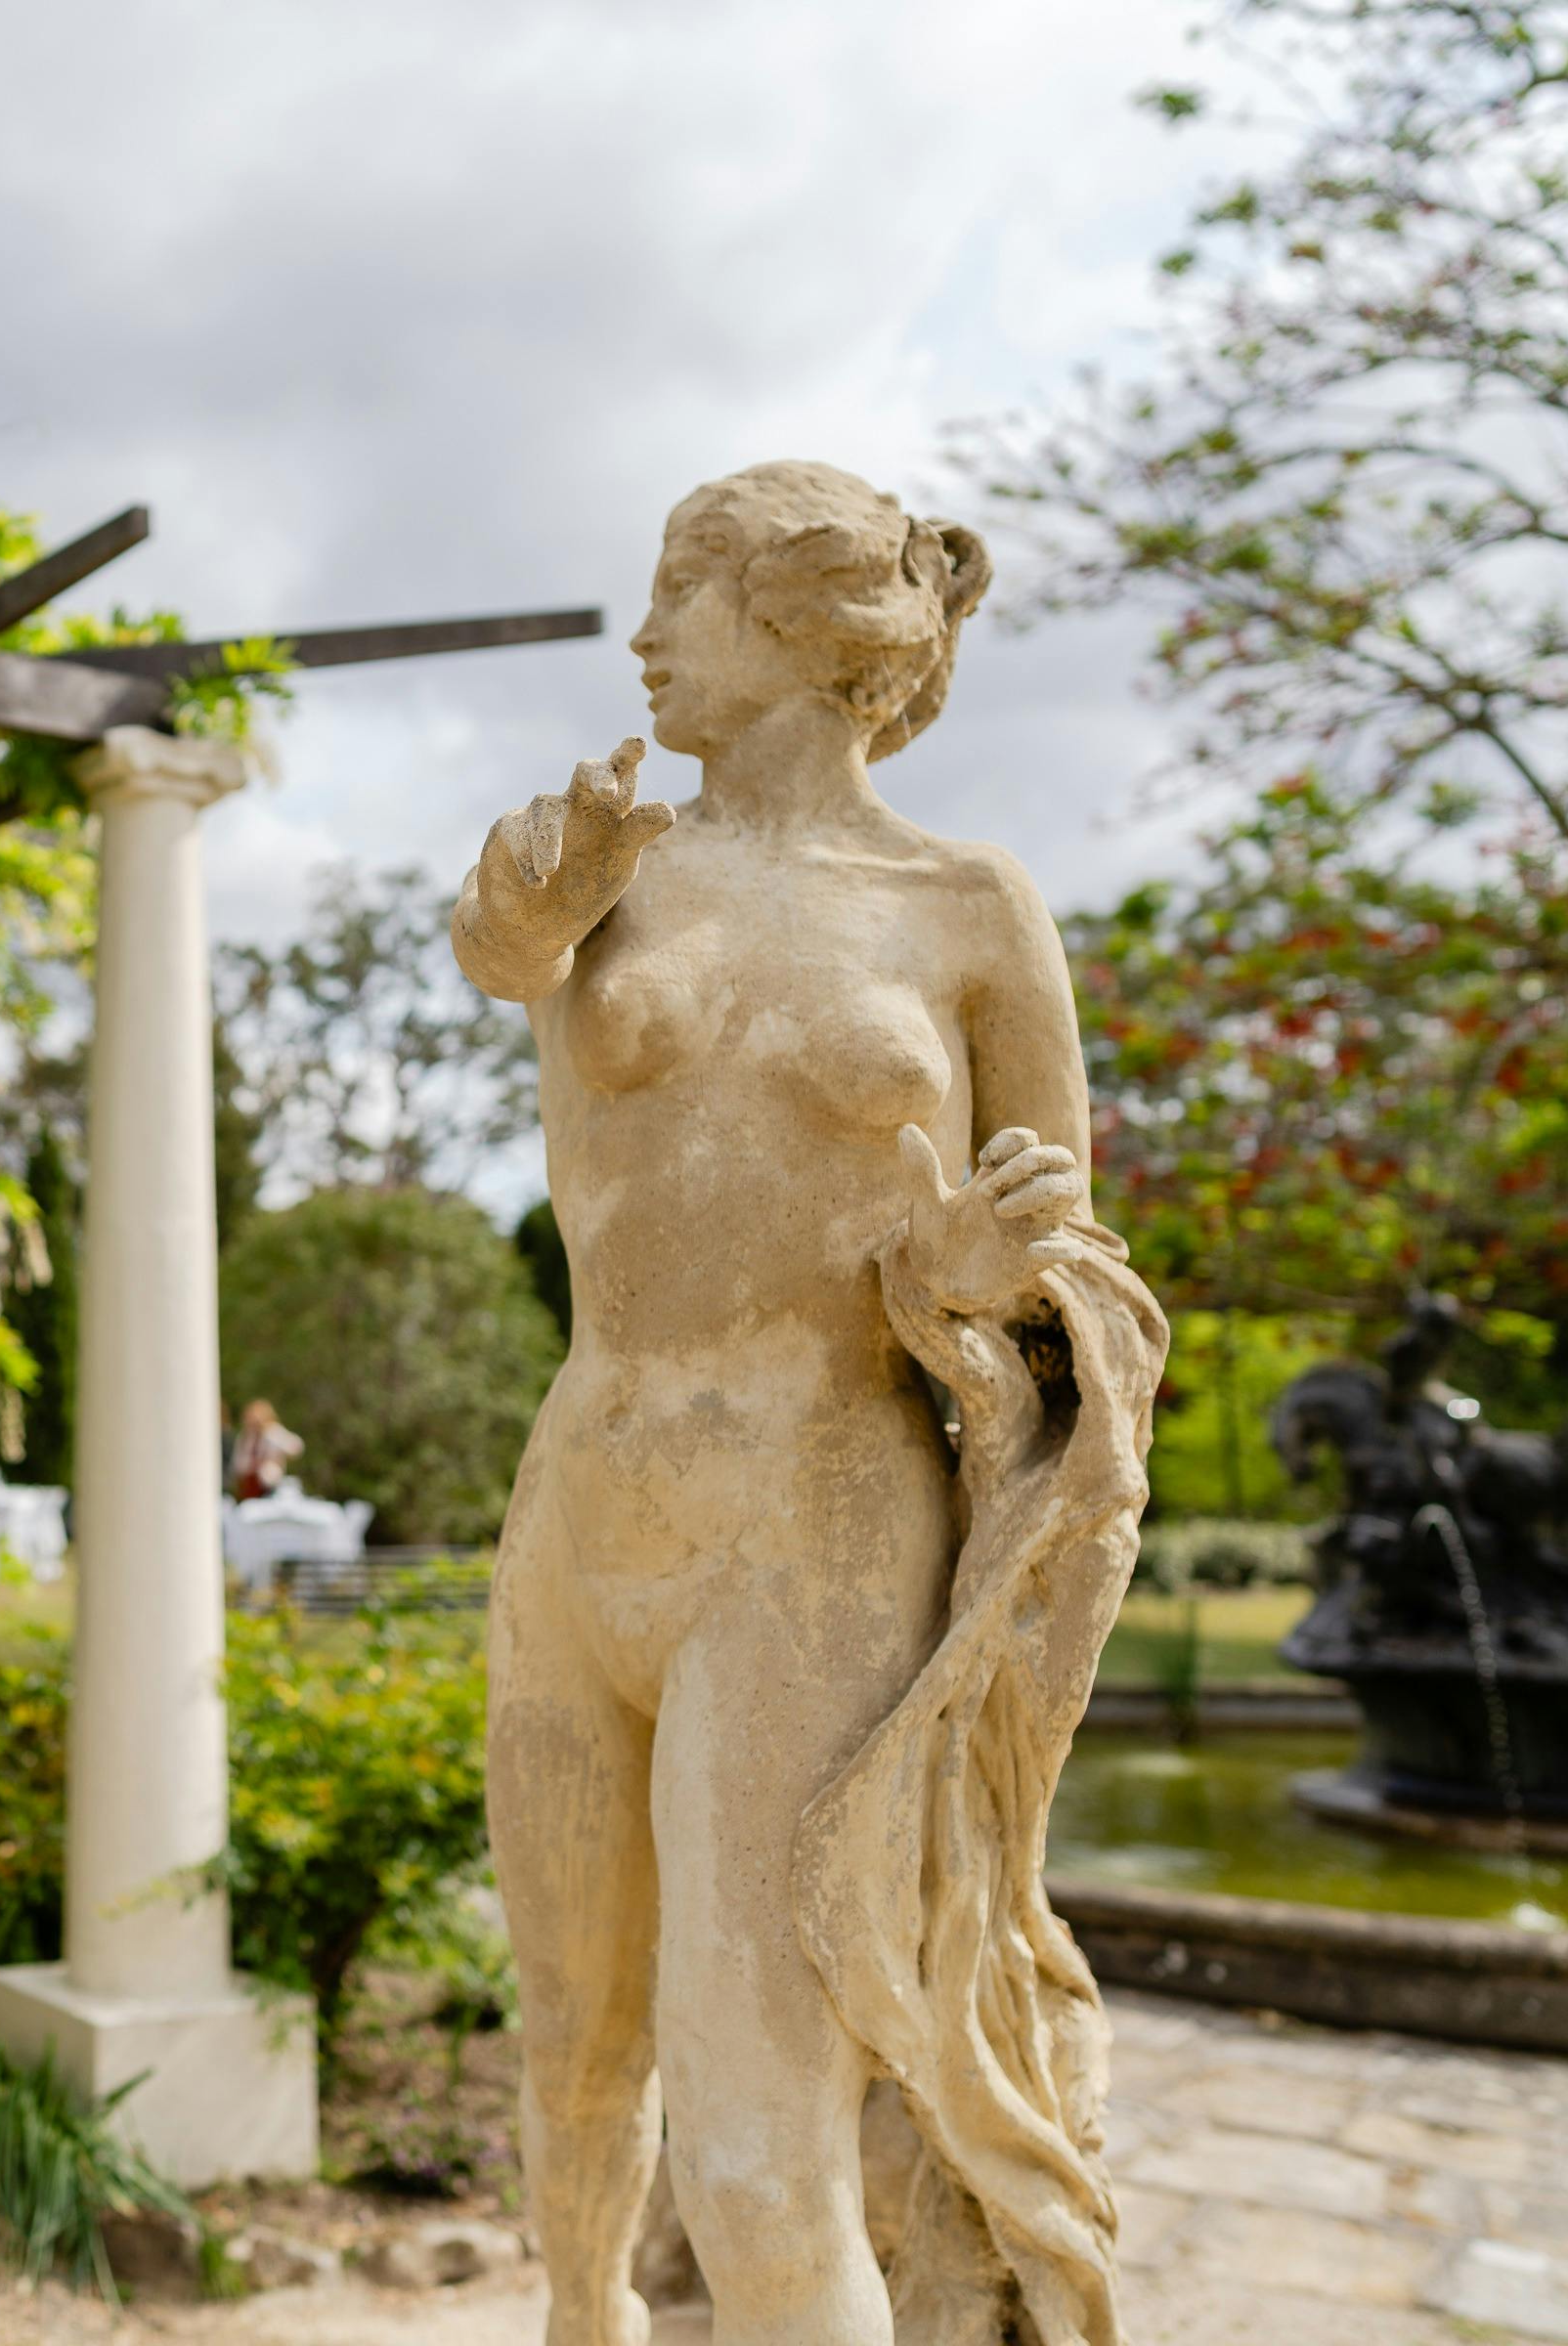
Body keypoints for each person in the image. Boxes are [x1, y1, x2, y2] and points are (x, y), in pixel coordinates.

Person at [454, 462, 1162, 2346]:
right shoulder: (606, 867)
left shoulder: (969, 906)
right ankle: (584, 2327)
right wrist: (532, 901)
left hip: (815, 1534)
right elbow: (500, 942)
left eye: (680, 592)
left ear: (796, 621)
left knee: (758, 2147)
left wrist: (976, 1272)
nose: (643, 636)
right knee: (574, 2061)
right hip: (580, 1510)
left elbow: (1069, 1268)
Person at [227, 1398, 302, 1502]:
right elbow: (237, 1463)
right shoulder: (245, 1437)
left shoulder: (273, 1432)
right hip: (249, 1484)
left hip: (270, 1485)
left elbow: (295, 1447)